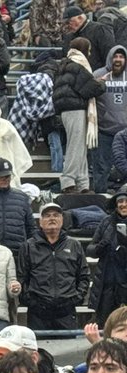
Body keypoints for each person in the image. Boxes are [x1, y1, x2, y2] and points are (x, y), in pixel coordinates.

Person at [56, 39, 105, 193]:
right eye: (88, 50)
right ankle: (68, 181)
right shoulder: (78, 65)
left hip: (67, 110)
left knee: (81, 148)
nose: (89, 53)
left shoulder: (66, 64)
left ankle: (83, 184)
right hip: (75, 109)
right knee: (75, 147)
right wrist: (102, 83)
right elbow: (90, 88)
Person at [93, 44, 127, 193]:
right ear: (109, 58)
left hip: (125, 133)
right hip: (104, 130)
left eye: (121, 57)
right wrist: (99, 83)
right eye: (115, 56)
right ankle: (101, 197)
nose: (118, 60)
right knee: (102, 167)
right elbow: (88, 95)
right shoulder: (98, 74)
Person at [91, 190, 127, 323]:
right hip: (107, 284)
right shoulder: (106, 222)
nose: (123, 204)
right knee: (104, 324)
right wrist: (100, 247)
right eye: (120, 201)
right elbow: (90, 250)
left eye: (126, 201)